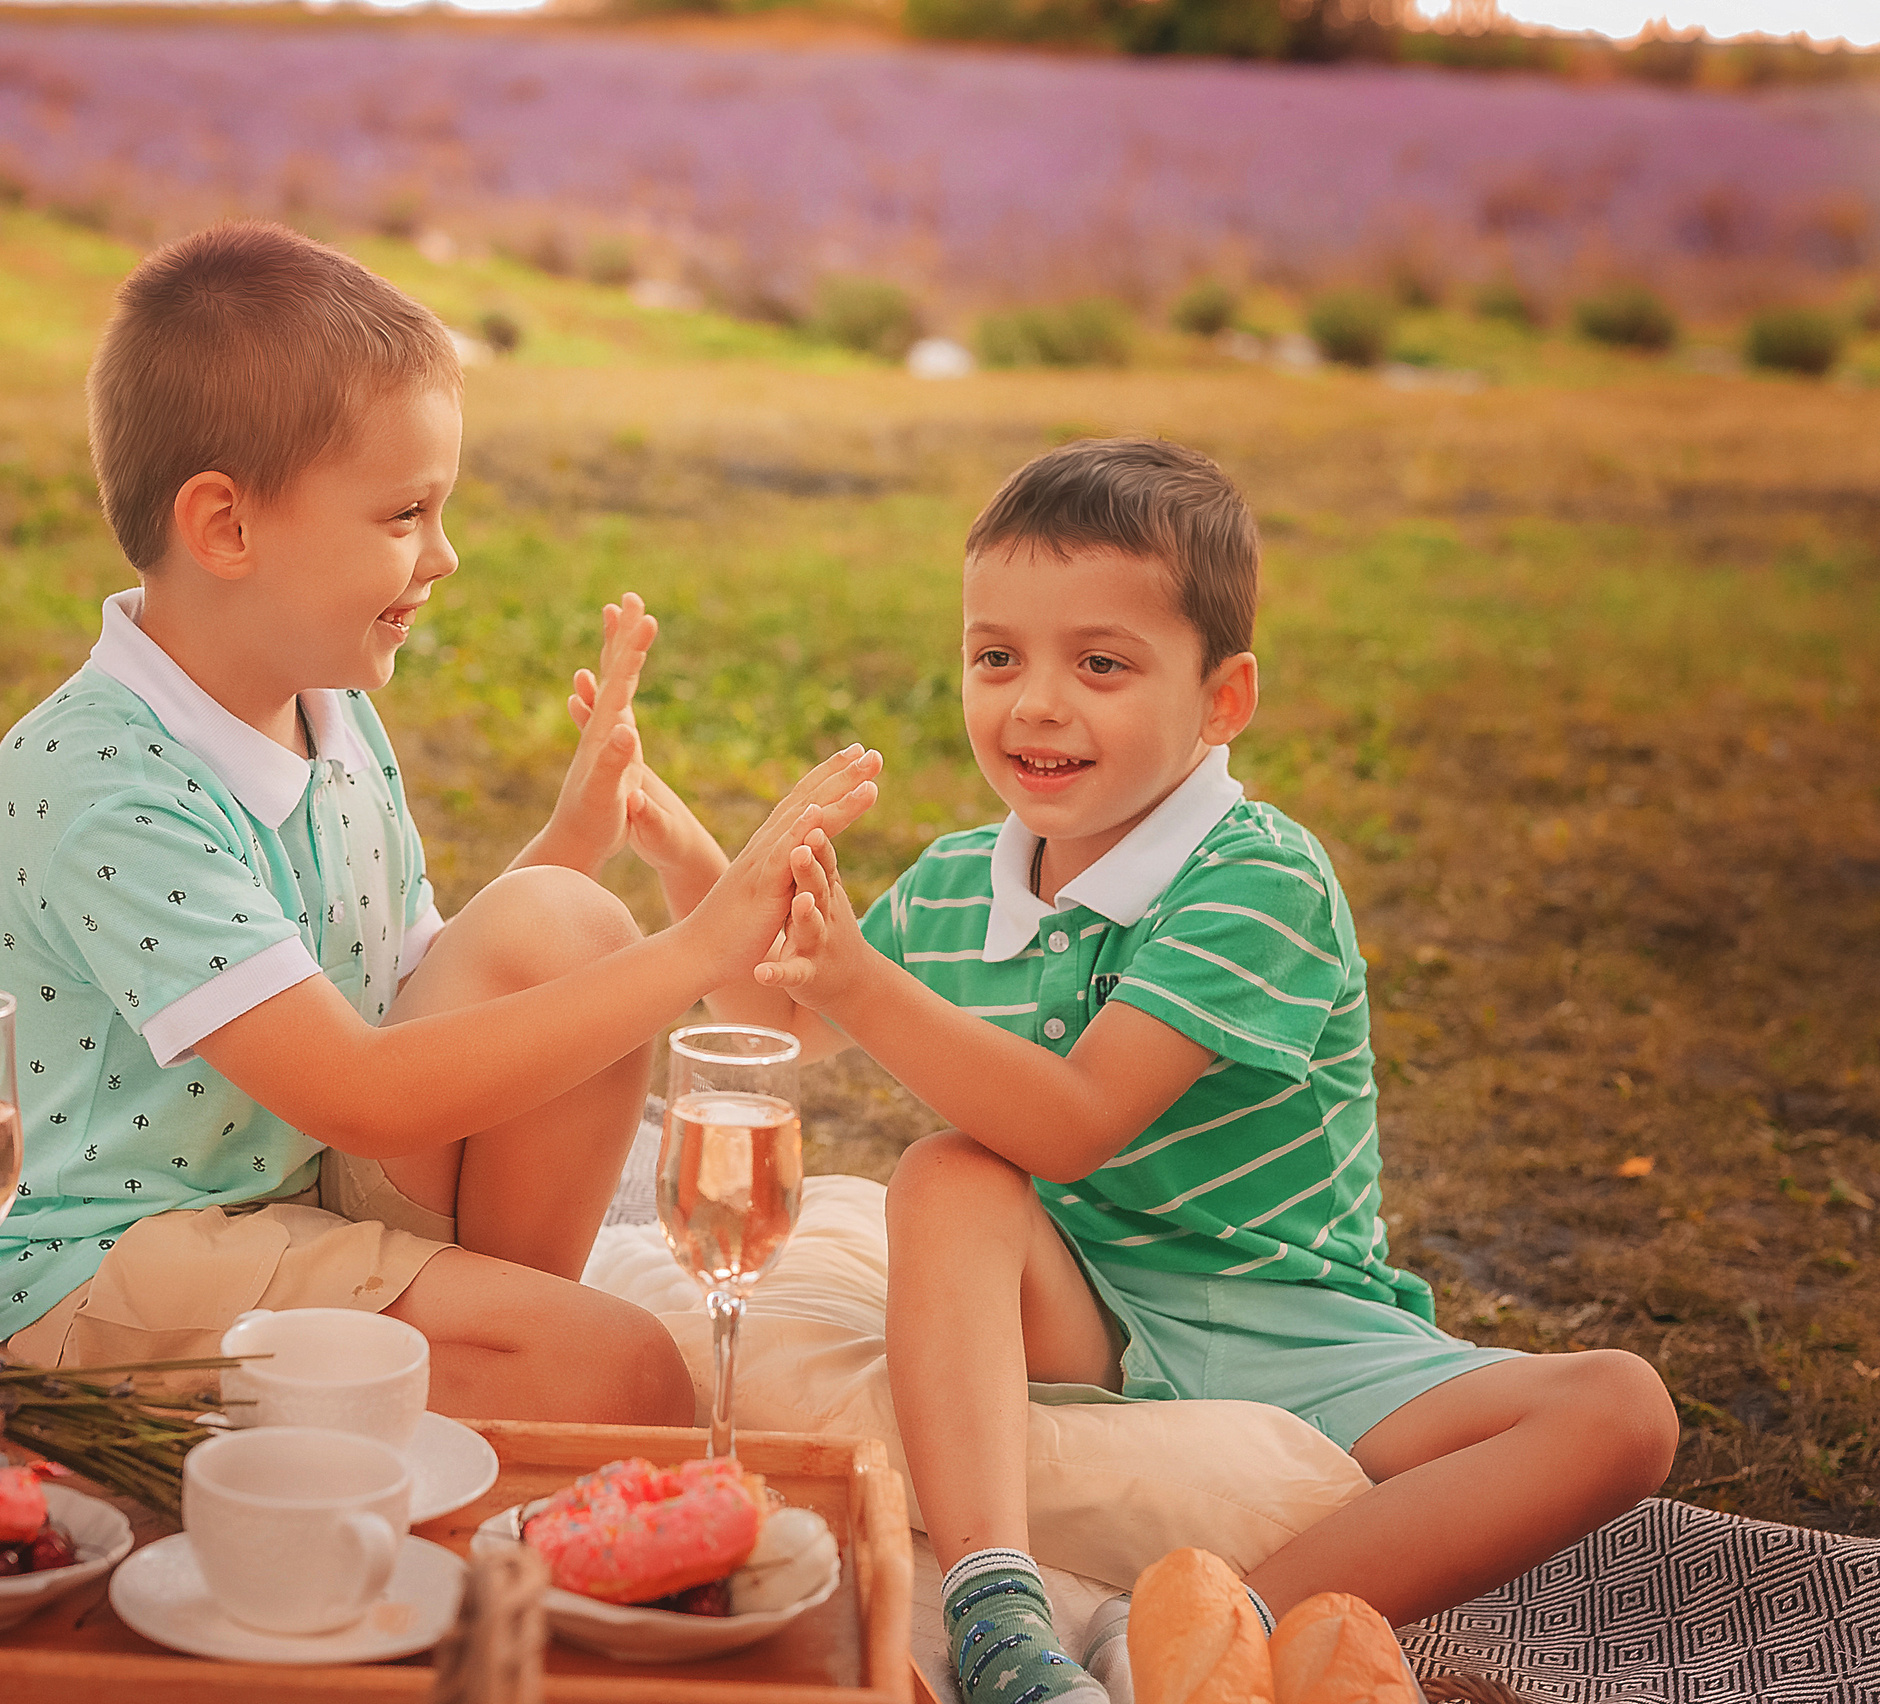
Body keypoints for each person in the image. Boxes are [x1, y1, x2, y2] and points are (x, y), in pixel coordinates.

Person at [649, 437, 1679, 1703]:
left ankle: (1196, 1635)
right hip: (1088, 1296)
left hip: (1292, 1318)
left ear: (1222, 700)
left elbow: (1077, 1123)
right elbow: (781, 1013)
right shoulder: (971, 877)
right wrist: (679, 843)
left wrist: (864, 979)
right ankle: (996, 1609)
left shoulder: (1258, 879)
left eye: (1100, 663)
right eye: (996, 657)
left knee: (1620, 1410)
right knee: (950, 1176)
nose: (1033, 703)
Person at [0, 221, 880, 1427]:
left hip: (297, 1191)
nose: (444, 557)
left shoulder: (327, 712)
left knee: (560, 921)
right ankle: (511, 1367)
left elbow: (415, 991)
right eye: (403, 514)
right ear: (226, 528)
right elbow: (362, 1092)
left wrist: (571, 848)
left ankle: (501, 1333)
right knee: (623, 1376)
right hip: (115, 1265)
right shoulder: (101, 780)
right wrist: (698, 955)